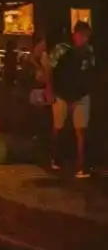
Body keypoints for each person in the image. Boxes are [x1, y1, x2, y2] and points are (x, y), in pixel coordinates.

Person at [46, 21, 95, 178]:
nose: (84, 39)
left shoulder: (89, 51)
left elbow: (89, 72)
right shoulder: (61, 49)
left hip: (81, 95)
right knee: (58, 128)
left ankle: (81, 165)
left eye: (87, 36)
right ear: (74, 34)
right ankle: (55, 157)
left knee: (81, 130)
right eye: (81, 35)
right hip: (61, 94)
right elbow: (49, 69)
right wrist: (50, 90)